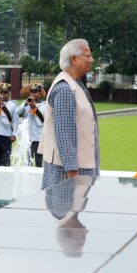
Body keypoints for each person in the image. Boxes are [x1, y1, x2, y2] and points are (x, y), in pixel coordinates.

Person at [38, 39, 98, 190]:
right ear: (74, 59)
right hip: (69, 176)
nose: (91, 59)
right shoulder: (65, 89)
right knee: (65, 212)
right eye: (88, 55)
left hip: (78, 172)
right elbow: (64, 135)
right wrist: (73, 176)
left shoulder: (75, 84)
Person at [14, 84, 48, 167]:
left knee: (38, 162)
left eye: (35, 92)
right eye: (32, 92)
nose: (33, 94)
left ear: (40, 93)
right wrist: (25, 104)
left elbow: (43, 121)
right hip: (28, 138)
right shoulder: (26, 104)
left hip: (38, 138)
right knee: (27, 162)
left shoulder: (45, 105)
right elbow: (17, 112)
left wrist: (35, 108)